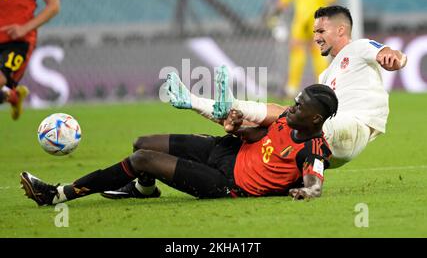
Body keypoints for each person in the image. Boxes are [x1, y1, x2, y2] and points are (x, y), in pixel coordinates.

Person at [166, 5, 407, 168]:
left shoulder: (359, 47)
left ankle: (232, 103)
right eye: (314, 32)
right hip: (326, 145)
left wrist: (395, 59)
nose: (316, 37)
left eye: (321, 30)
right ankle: (191, 101)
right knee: (254, 129)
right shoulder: (325, 75)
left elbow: (392, 54)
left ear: (341, 30)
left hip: (353, 126)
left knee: (288, 113)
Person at [20, 84, 338, 205]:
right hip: (227, 150)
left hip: (228, 183)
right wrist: (238, 127)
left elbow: (315, 183)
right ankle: (145, 190)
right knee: (141, 142)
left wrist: (305, 191)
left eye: (300, 106)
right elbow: (259, 136)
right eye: (295, 102)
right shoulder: (286, 118)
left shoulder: (314, 148)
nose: (292, 107)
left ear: (315, 119)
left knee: (144, 158)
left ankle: (57, 194)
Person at [0, 0, 60, 120]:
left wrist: (24, 28)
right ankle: (13, 96)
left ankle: (9, 93)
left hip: (18, 42)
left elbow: (53, 5)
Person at [273, 0, 337, 98]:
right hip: (318, 11)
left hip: (304, 12)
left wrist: (283, 1)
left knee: (298, 47)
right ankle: (325, 85)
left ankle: (292, 87)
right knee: (317, 48)